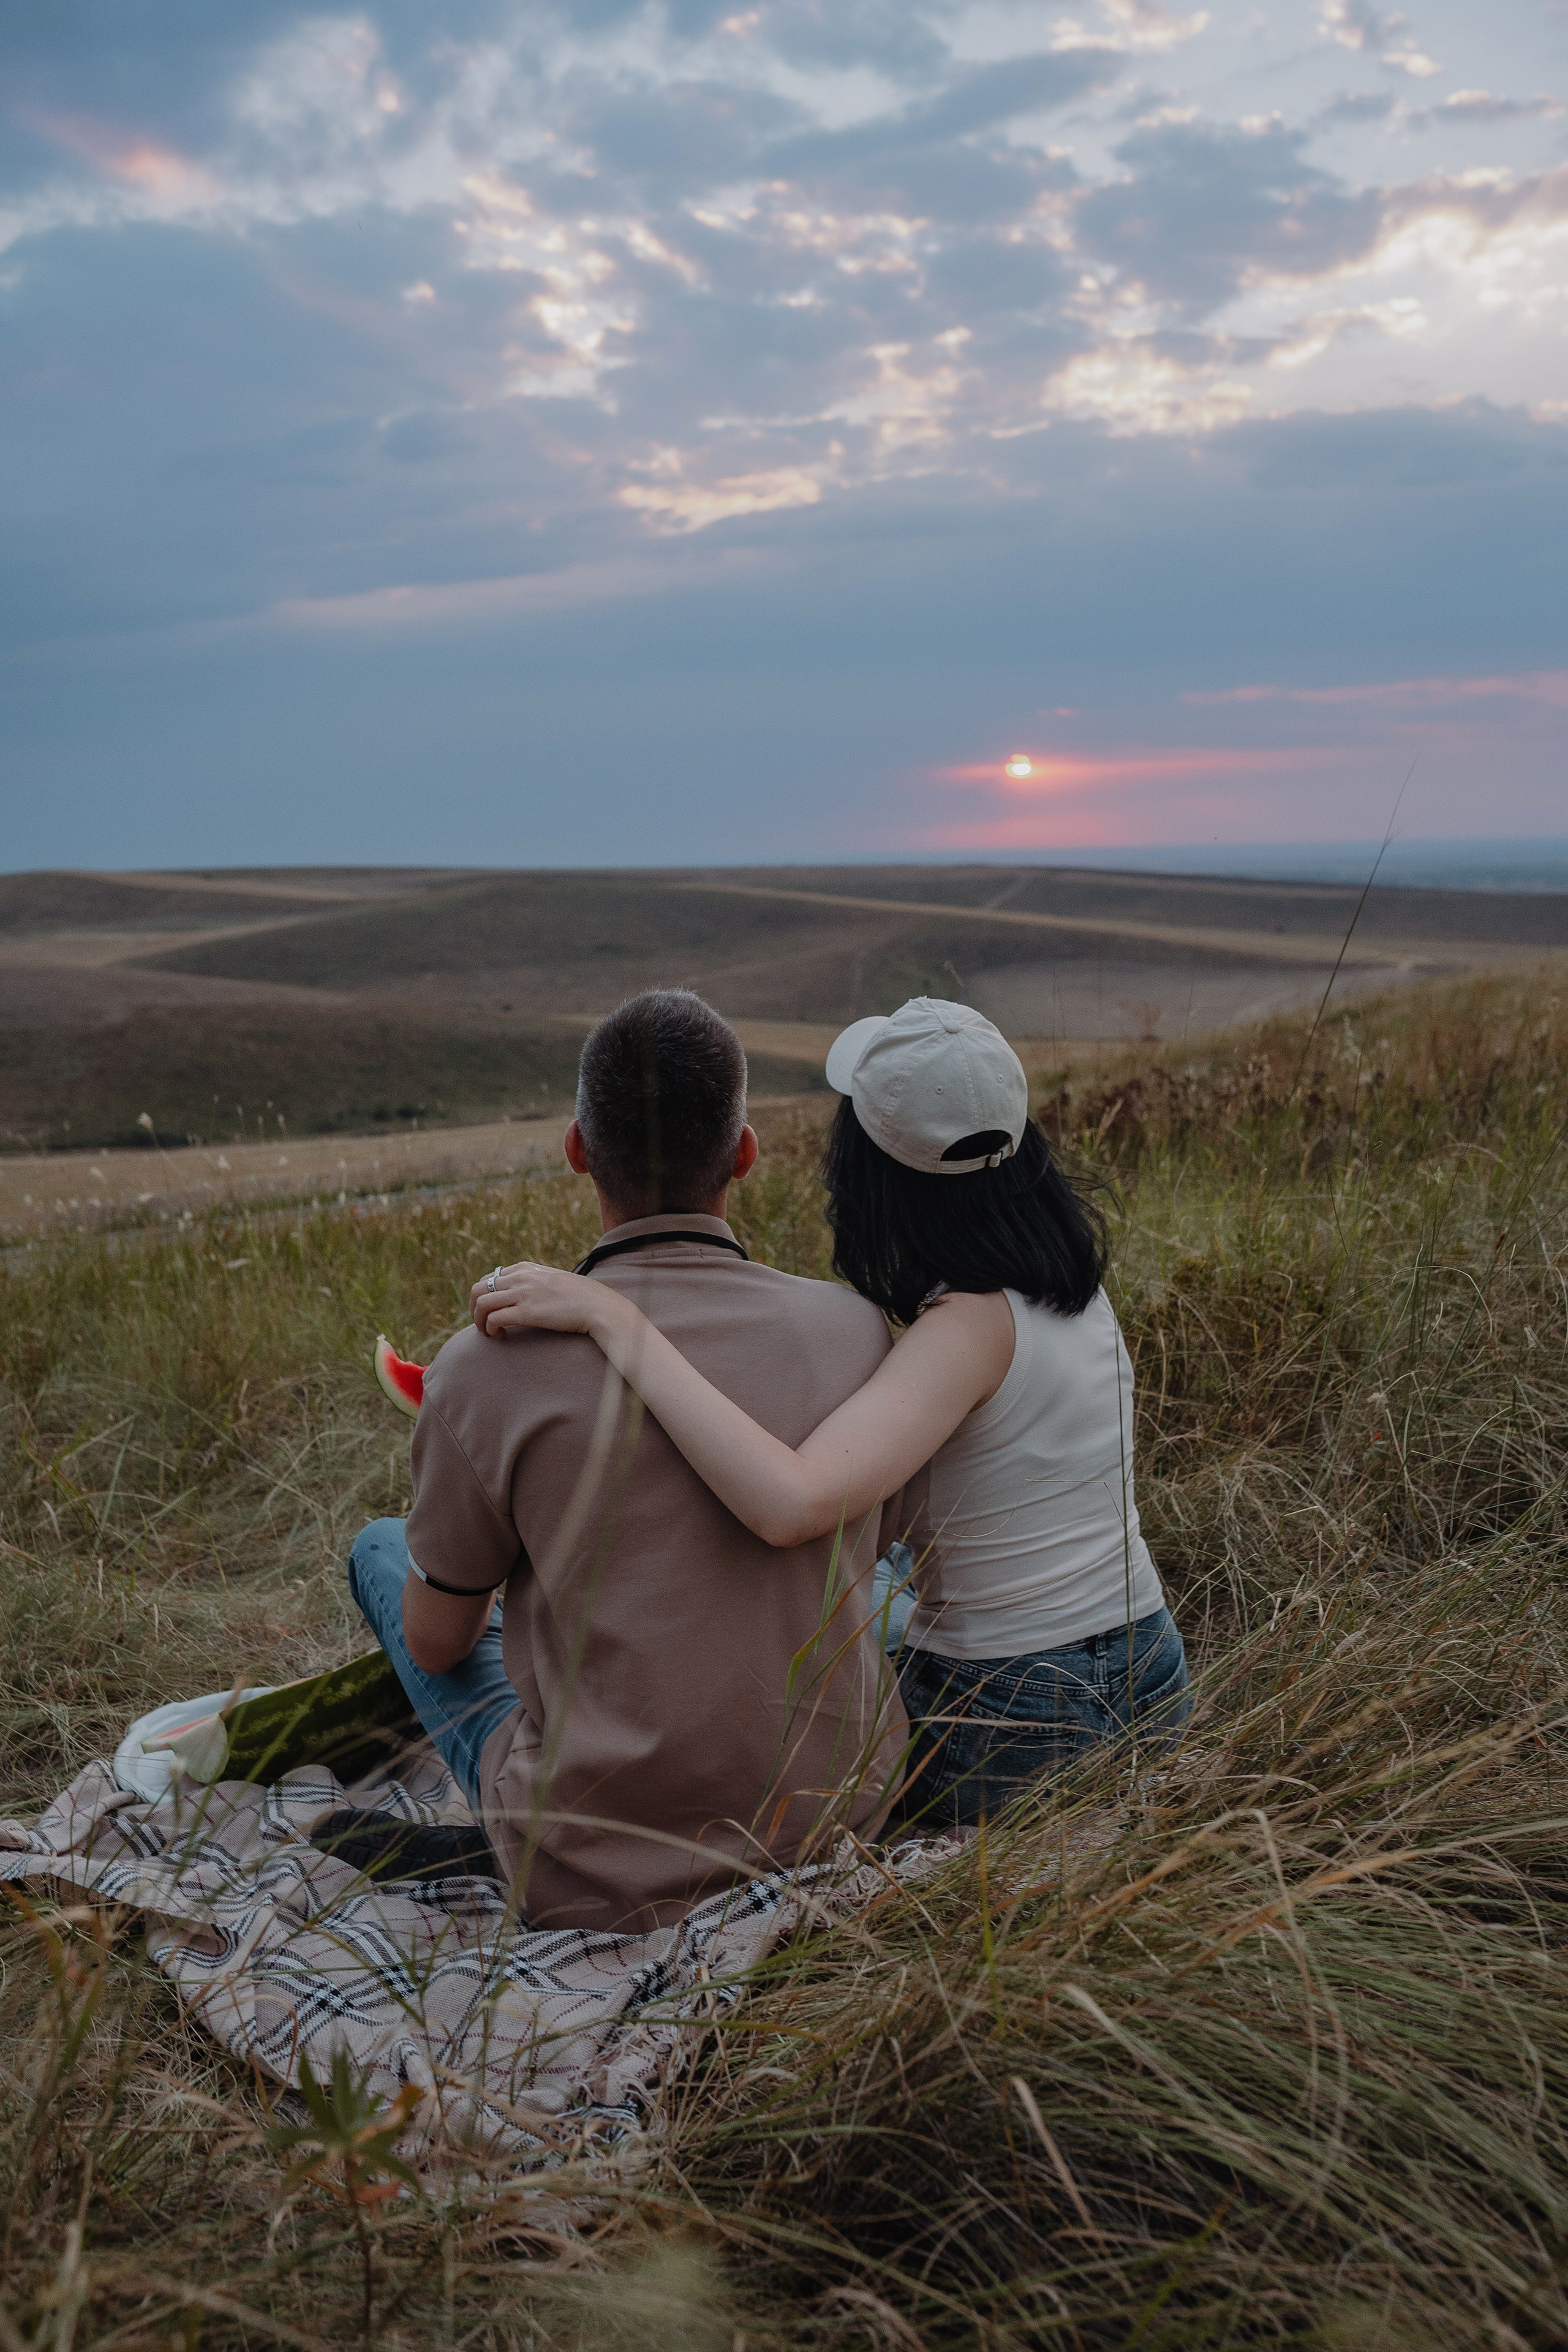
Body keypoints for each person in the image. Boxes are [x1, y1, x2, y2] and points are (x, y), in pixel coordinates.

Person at [472, 997, 1191, 1829]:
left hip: (1017, 1709)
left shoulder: (966, 1331)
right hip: (1150, 1667)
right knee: (875, 1583)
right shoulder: (1072, 1293)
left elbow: (793, 1506)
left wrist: (617, 1320)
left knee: (803, 1621)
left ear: (872, 1173)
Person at [345, 989, 908, 1932]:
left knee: (380, 1549)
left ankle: (500, 1817)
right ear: (744, 1153)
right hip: (838, 1821)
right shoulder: (854, 1331)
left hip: (590, 1859)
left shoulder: (481, 1366)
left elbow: (441, 1647)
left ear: (576, 1148)